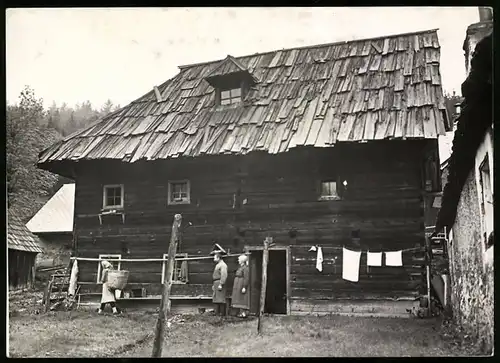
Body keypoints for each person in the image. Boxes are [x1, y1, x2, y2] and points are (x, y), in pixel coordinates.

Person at [211, 244, 228, 316]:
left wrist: (221, 284)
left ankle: (222, 314)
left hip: (219, 283)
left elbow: (224, 275)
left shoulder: (223, 265)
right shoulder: (218, 265)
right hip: (216, 283)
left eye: (215, 257)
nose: (213, 259)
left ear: (219, 258)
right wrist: (214, 285)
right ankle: (217, 313)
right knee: (216, 298)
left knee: (221, 299)